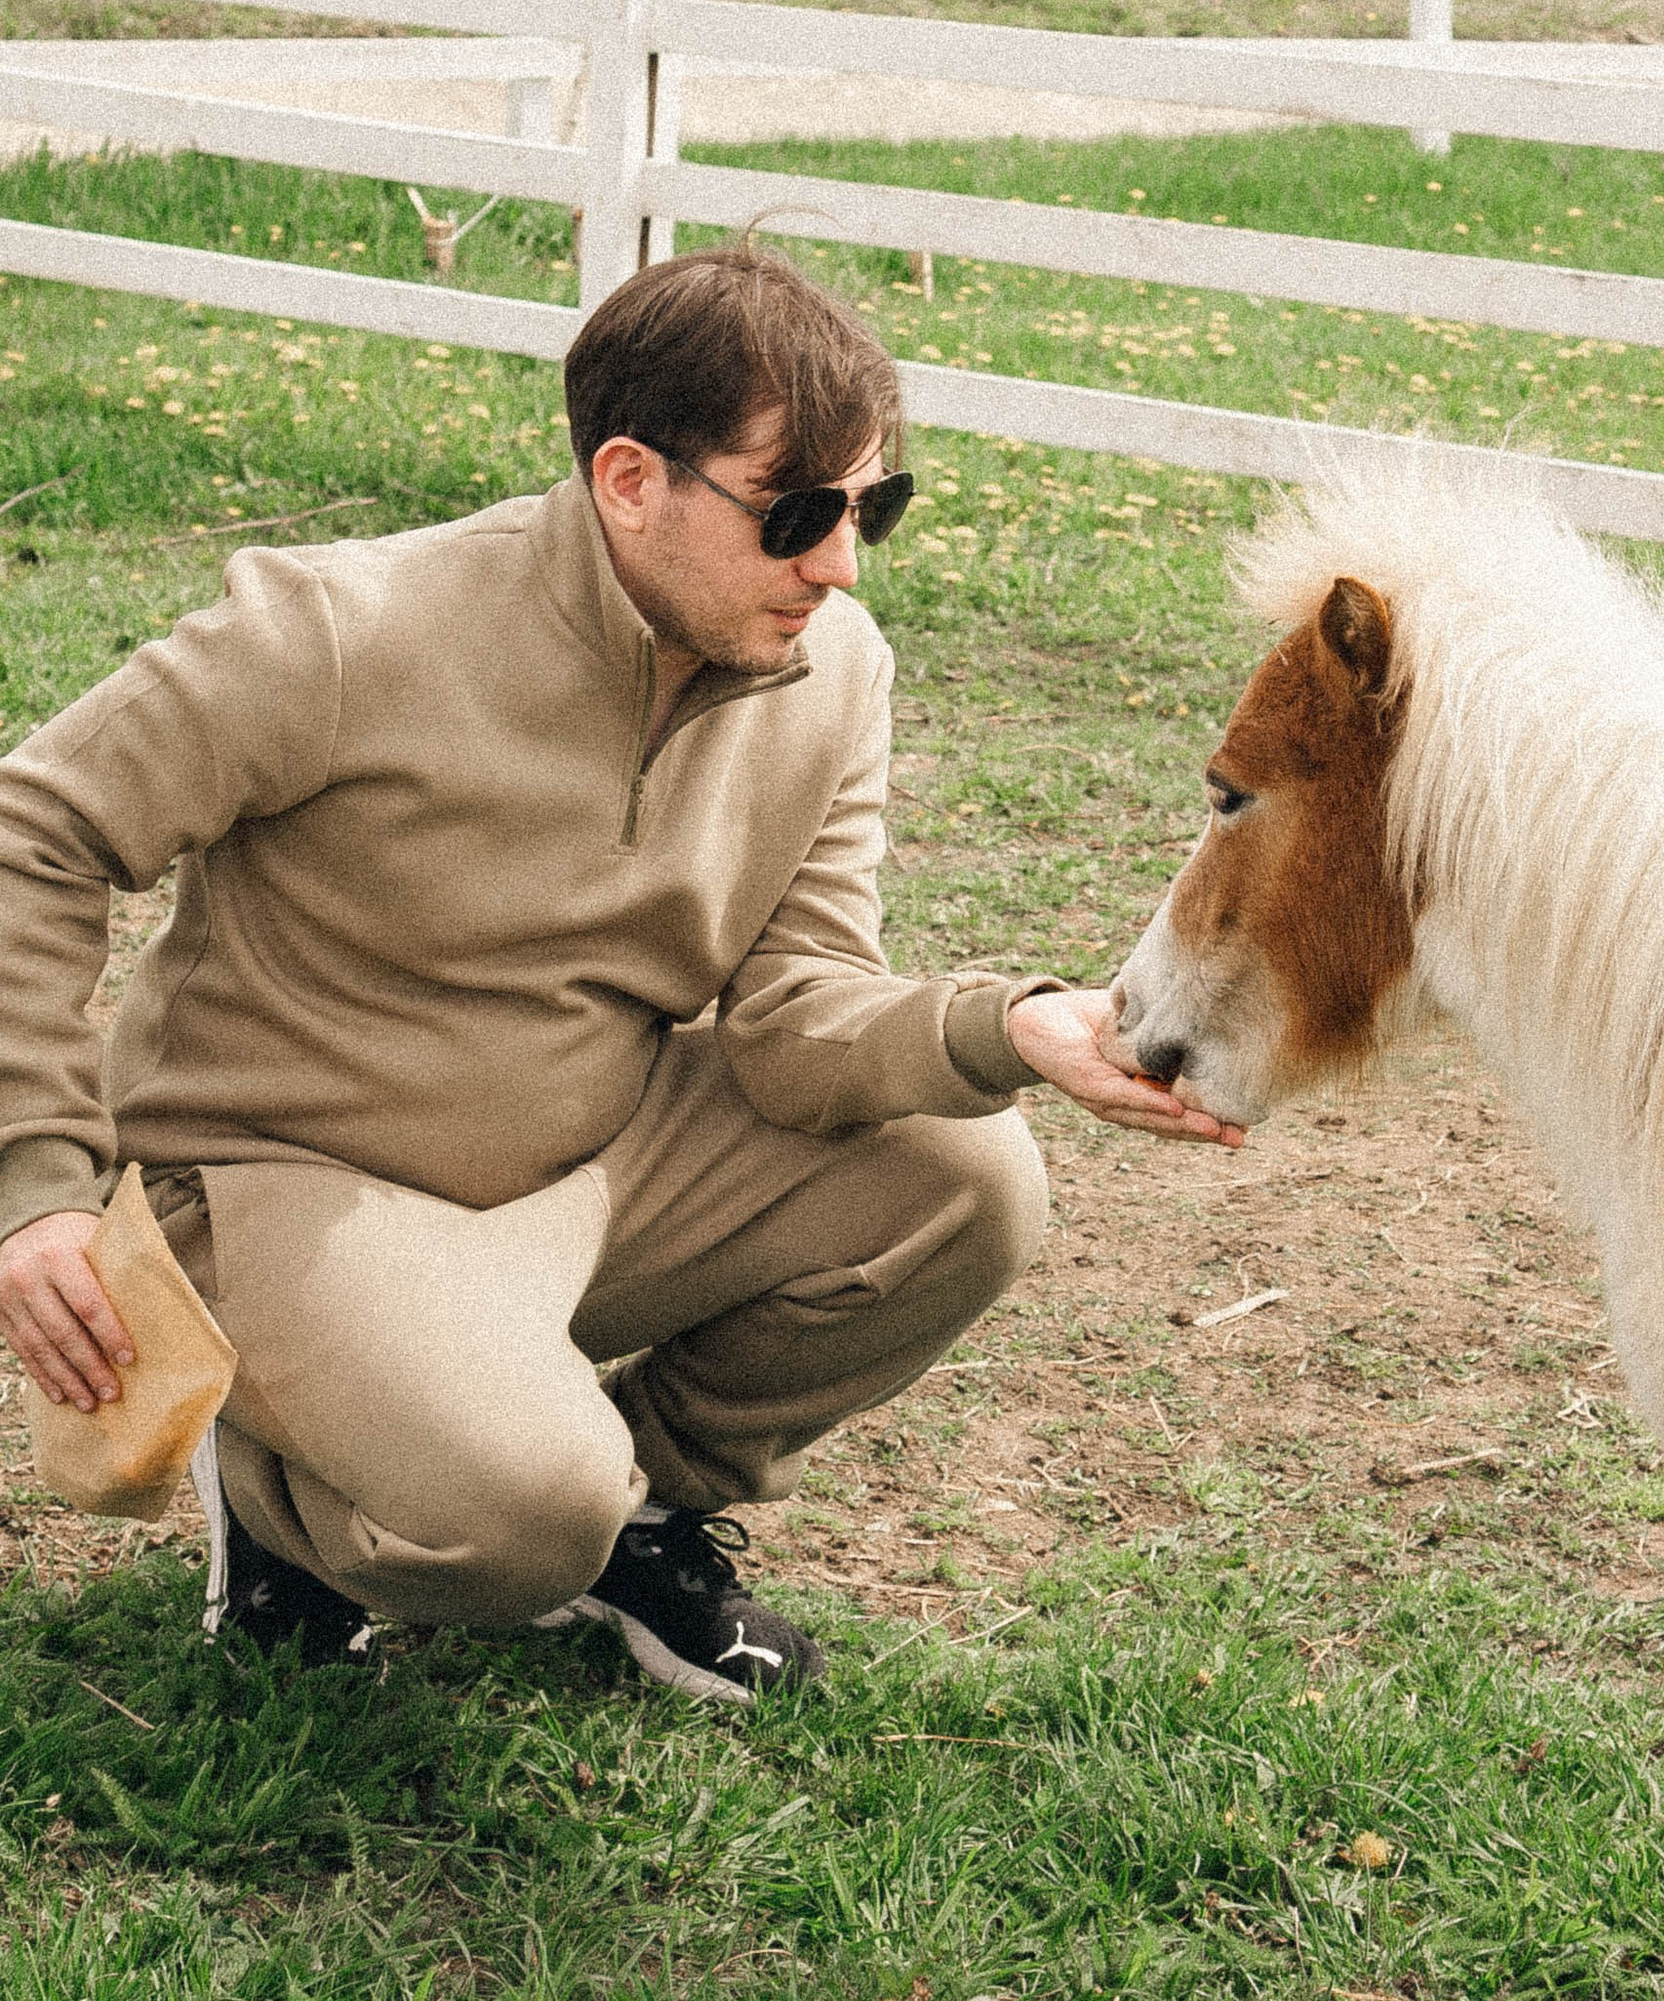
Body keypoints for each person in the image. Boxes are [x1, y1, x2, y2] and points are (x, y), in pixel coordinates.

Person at [0, 242, 1236, 1706]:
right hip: (286, 1176)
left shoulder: (832, 668)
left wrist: (1012, 1030)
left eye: (872, 508)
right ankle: (285, 1486)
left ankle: (634, 1518)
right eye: (796, 513)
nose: (838, 564)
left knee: (970, 1178)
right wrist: (35, 1187)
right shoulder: (340, 632)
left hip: (587, 1167)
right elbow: (37, 829)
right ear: (631, 481)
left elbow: (797, 1022)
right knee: (518, 1513)